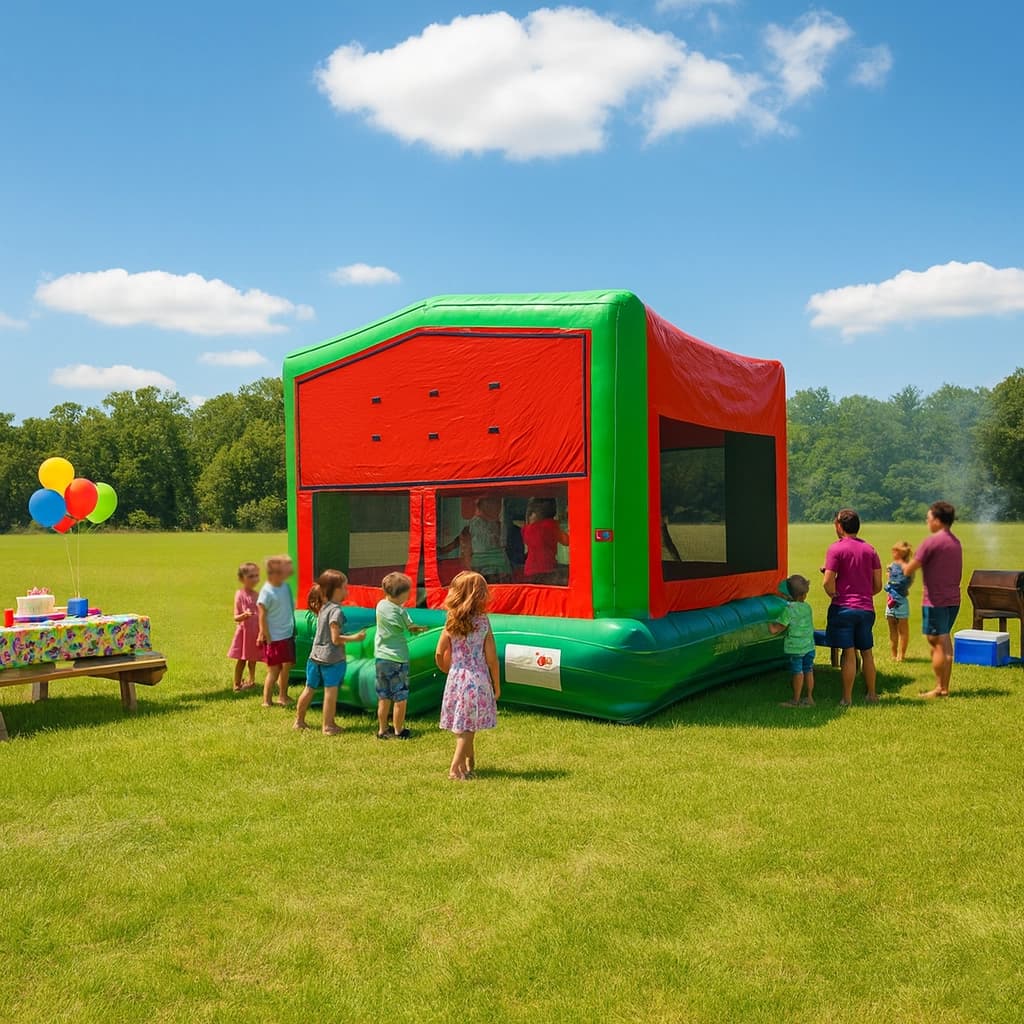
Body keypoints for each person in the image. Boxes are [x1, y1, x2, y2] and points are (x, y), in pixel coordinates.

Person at [435, 571, 500, 781]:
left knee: (462, 724)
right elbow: (491, 657)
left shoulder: (451, 620)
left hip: (456, 677)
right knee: (468, 726)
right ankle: (455, 767)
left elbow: (439, 651)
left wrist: (445, 667)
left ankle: (468, 763)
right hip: (477, 678)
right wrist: (496, 685)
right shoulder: (482, 622)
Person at [294, 570, 366, 734]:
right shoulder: (336, 611)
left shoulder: (323, 607)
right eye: (345, 588)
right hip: (331, 660)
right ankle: (328, 726)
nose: (347, 591)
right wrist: (355, 638)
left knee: (309, 689)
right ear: (336, 590)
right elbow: (335, 639)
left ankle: (299, 721)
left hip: (314, 657)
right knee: (330, 693)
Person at [822, 509, 882, 706]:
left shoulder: (835, 549)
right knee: (867, 651)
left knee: (848, 652)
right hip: (866, 609)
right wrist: (864, 594)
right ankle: (872, 694)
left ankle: (846, 698)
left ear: (839, 526)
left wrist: (834, 593)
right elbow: (877, 584)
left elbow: (827, 581)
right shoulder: (870, 550)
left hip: (843, 608)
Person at [905, 501, 963, 698]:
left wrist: (901, 561)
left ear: (938, 520)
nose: (927, 522)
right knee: (938, 638)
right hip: (953, 599)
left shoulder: (932, 542)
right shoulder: (955, 542)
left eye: (928, 518)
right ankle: (942, 686)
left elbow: (909, 568)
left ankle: (941, 688)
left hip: (935, 600)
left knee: (940, 641)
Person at [374, 571, 428, 740]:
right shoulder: (401, 611)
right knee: (400, 698)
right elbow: (410, 627)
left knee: (383, 696)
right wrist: (419, 628)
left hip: (381, 658)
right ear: (401, 595)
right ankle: (398, 730)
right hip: (398, 659)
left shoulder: (380, 605)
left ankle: (382, 729)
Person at [769, 575, 816, 706]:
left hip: (796, 648)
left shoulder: (789, 610)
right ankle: (810, 698)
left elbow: (778, 628)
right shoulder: (807, 608)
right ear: (804, 595)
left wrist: (770, 626)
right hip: (809, 647)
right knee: (809, 670)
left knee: (797, 672)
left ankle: (795, 700)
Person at [257, 554, 296, 708]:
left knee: (287, 667)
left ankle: (283, 695)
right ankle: (266, 700)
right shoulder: (267, 591)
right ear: (272, 574)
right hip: (274, 637)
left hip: (287, 634)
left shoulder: (285, 586)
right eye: (281, 571)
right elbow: (262, 614)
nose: (285, 573)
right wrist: (264, 633)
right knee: (274, 670)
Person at [227, 561, 264, 692]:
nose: (255, 579)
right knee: (242, 659)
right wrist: (244, 615)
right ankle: (236, 684)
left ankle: (251, 680)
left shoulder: (258, 595)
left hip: (255, 632)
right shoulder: (240, 594)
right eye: (251, 576)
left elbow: (262, 614)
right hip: (244, 633)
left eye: (256, 575)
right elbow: (235, 617)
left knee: (253, 658)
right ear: (242, 579)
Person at [521, 498, 569, 585]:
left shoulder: (526, 529)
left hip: (529, 570)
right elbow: (566, 541)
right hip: (547, 569)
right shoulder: (551, 525)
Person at [884, 541, 914, 661]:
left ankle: (900, 655)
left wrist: (890, 580)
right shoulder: (892, 566)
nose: (892, 553)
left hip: (899, 601)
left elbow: (903, 583)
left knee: (902, 630)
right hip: (891, 601)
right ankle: (894, 654)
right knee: (893, 629)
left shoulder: (906, 567)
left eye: (894, 551)